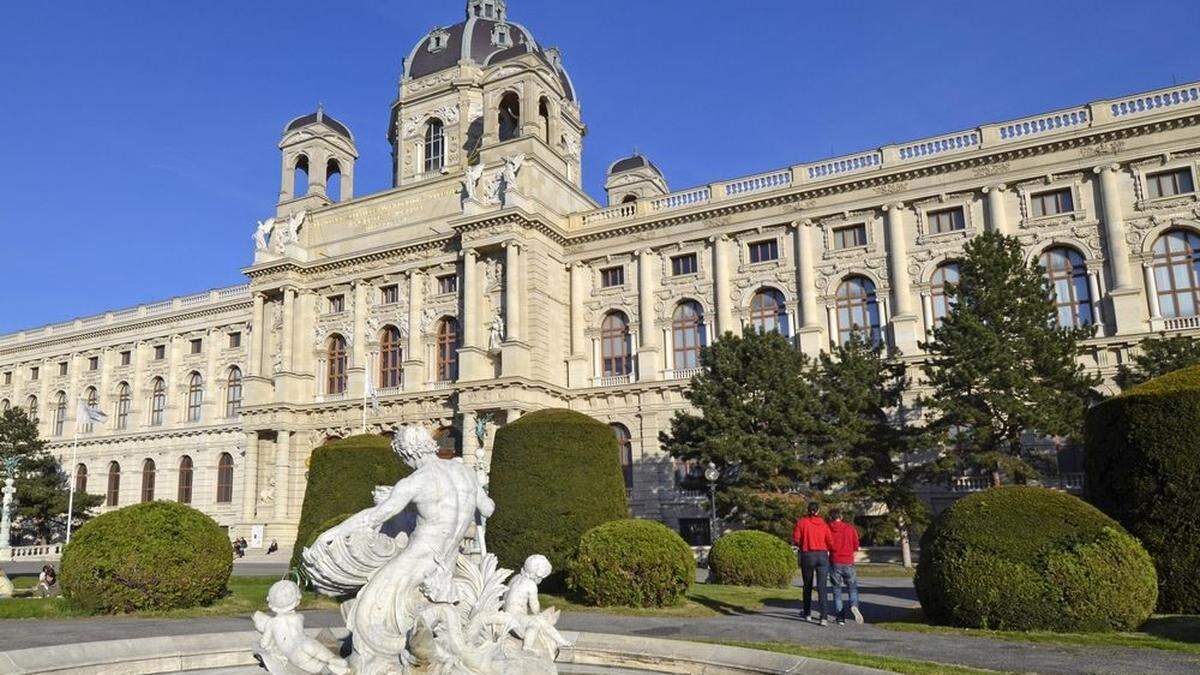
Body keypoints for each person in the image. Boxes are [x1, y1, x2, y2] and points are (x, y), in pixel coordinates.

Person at [793, 501, 833, 625]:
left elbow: (796, 539)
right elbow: (830, 541)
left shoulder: (802, 522)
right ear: (818, 511)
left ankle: (807, 613)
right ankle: (824, 617)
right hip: (822, 555)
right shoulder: (824, 524)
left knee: (807, 585)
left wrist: (802, 544)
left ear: (808, 510)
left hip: (807, 554)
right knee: (822, 587)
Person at [827, 509, 864, 625]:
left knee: (837, 590)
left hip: (835, 561)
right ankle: (854, 605)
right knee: (852, 588)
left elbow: (826, 544)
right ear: (841, 516)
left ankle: (840, 618)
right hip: (848, 561)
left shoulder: (828, 528)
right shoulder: (850, 528)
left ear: (831, 517)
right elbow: (856, 545)